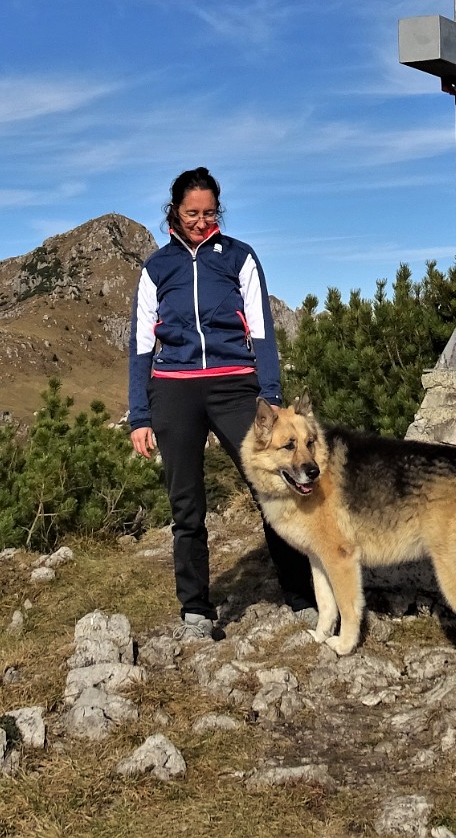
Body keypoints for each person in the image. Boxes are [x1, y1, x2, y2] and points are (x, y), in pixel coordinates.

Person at [128, 166, 316, 642]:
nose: (200, 220)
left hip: (236, 387)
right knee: (186, 506)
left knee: (273, 488)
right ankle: (196, 610)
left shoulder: (239, 257)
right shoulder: (156, 268)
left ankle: (302, 596)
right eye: (192, 212)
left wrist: (271, 401)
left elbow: (261, 332)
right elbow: (140, 347)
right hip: (174, 391)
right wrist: (141, 414)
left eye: (209, 212)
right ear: (174, 211)